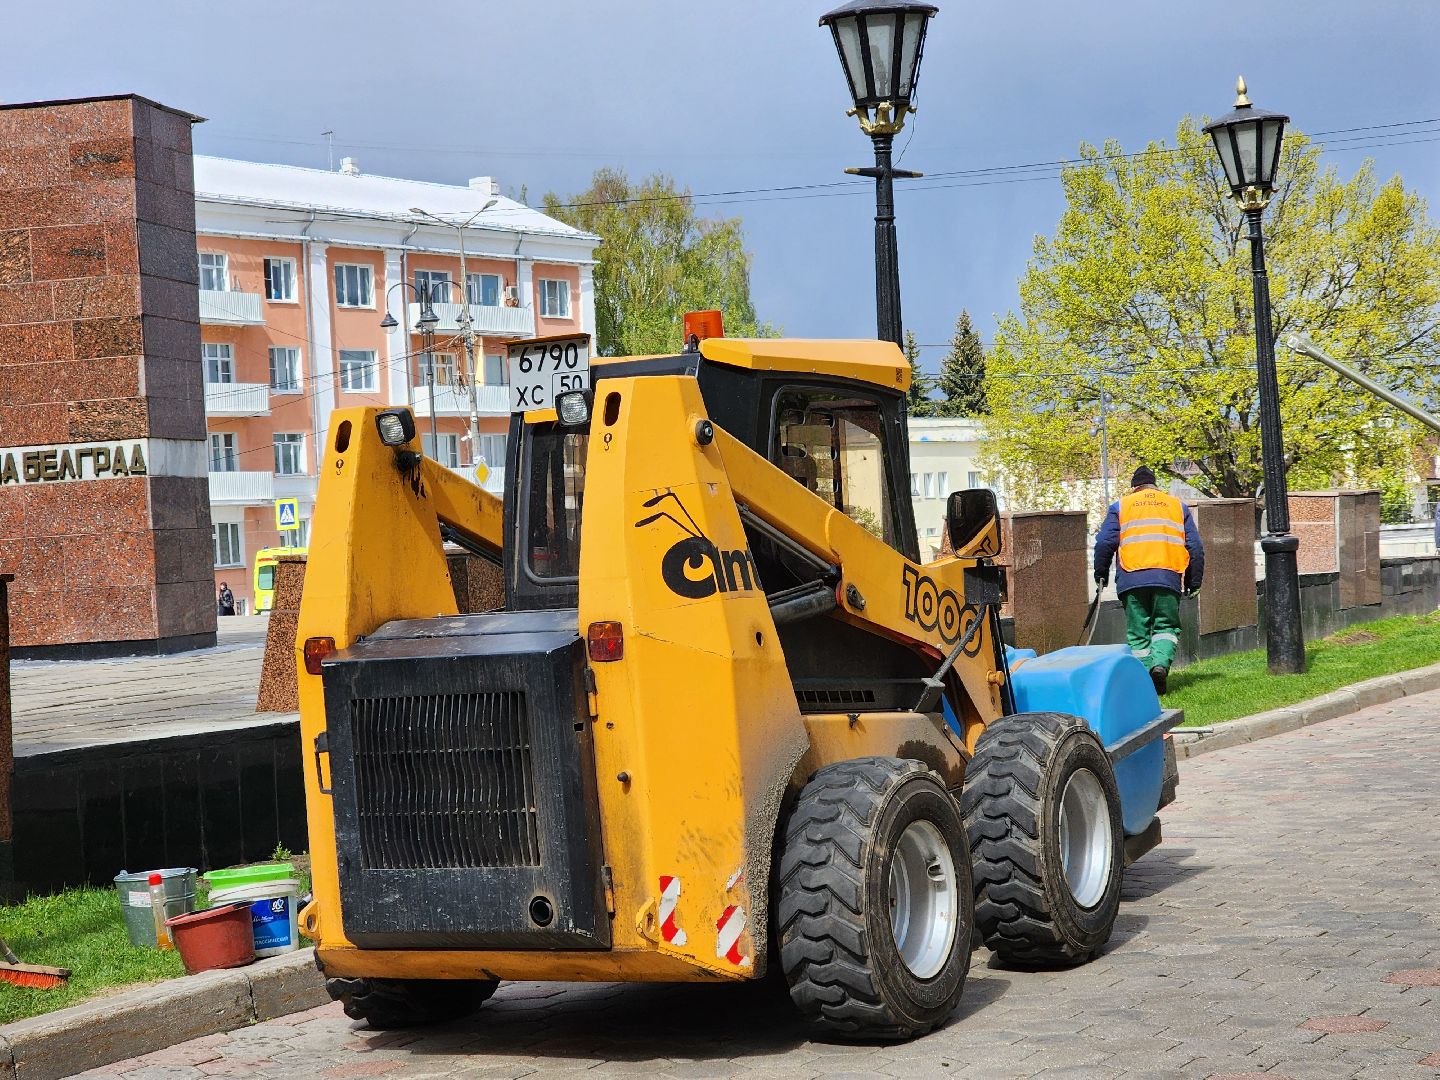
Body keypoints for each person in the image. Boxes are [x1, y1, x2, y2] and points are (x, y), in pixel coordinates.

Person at [1093, 466, 1204, 694]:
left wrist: (1100, 573)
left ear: (1134, 487)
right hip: (1168, 577)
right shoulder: (1177, 506)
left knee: (1138, 634)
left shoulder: (1121, 506)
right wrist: (1194, 580)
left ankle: (1145, 686)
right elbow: (1195, 547)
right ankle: (1160, 666)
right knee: (1166, 627)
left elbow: (1105, 543)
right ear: (1155, 485)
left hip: (1132, 578)